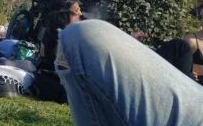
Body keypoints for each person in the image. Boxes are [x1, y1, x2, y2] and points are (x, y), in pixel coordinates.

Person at [58, 19, 203, 126]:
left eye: (78, 10)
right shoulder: (191, 40)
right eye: (74, 11)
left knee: (79, 35)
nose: (78, 13)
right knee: (180, 46)